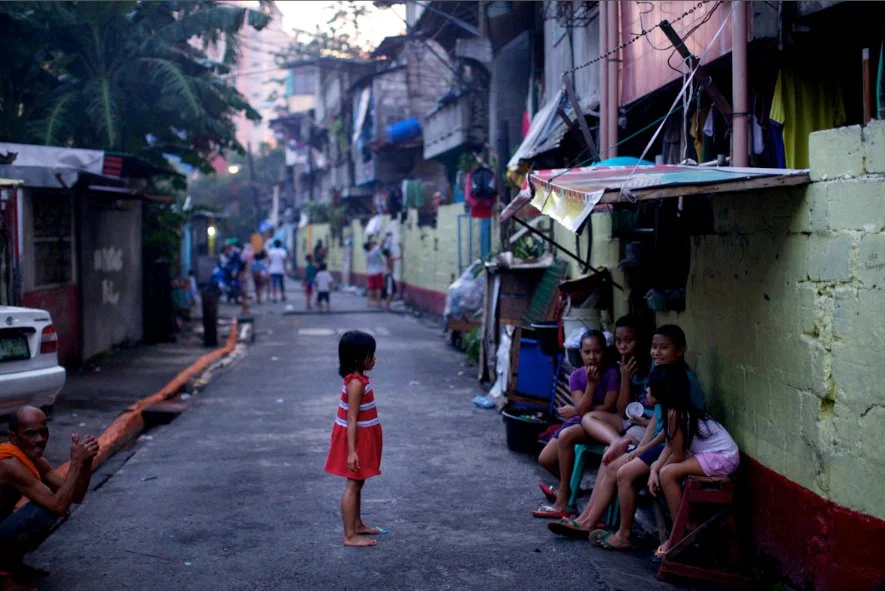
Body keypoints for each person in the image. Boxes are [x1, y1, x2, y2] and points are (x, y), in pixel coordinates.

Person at [553, 324, 707, 549]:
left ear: (681, 350)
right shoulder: (662, 373)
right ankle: (587, 520)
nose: (656, 353)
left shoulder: (683, 380)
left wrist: (638, 449)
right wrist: (637, 445)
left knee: (619, 467)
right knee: (610, 455)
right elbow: (657, 419)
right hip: (657, 438)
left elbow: (675, 430)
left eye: (664, 348)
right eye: (654, 347)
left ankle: (621, 533)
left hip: (676, 445)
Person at [0, 407, 99, 587]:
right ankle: (5, 577)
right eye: (30, 434)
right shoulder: (9, 464)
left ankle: (14, 566)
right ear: (13, 437)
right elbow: (59, 506)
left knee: (52, 503)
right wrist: (75, 463)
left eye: (43, 432)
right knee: (44, 509)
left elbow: (75, 496)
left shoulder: (35, 460)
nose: (39, 440)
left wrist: (85, 463)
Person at [647, 363, 738, 558]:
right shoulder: (672, 411)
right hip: (710, 456)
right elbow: (670, 446)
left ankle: (679, 533)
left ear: (662, 390)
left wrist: (658, 471)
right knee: (662, 470)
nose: (647, 390)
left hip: (723, 457)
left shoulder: (676, 414)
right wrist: (654, 469)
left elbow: (678, 455)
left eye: (650, 386)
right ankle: (686, 525)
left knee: (667, 474)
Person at [534, 330, 619, 518]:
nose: (592, 357)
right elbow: (582, 410)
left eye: (597, 352)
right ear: (580, 353)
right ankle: (575, 489)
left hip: (602, 424)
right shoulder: (577, 376)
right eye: (587, 352)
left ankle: (563, 497)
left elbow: (607, 408)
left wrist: (580, 409)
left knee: (566, 435)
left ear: (604, 352)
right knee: (545, 459)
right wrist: (590, 385)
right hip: (581, 420)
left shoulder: (612, 373)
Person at [324, 331, 383, 547]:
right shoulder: (356, 384)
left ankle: (357, 525)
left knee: (358, 482)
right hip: (356, 439)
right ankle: (349, 535)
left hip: (363, 436)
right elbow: (351, 418)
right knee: (353, 483)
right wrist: (352, 451)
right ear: (357, 358)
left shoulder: (359, 380)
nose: (374, 359)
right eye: (370, 355)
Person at [580, 315, 650, 448]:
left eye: (628, 340)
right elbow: (623, 412)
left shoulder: (651, 364)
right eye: (618, 341)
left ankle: (619, 445)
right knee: (588, 419)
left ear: (640, 340)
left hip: (648, 421)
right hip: (628, 418)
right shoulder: (615, 362)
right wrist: (625, 378)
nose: (622, 346)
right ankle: (617, 442)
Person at [364, 240, 383, 309]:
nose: (372, 245)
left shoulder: (366, 253)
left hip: (370, 273)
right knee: (378, 288)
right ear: (369, 247)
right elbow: (381, 244)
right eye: (371, 245)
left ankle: (368, 302)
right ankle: (378, 303)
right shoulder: (374, 251)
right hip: (377, 272)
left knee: (371, 288)